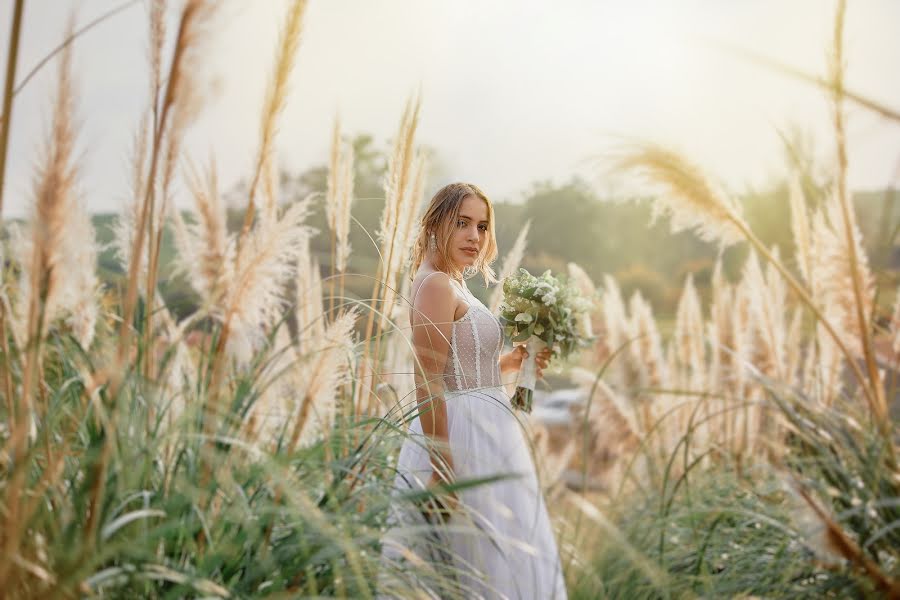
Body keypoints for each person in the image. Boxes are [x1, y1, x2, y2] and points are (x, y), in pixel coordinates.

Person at [380, 183, 568, 599]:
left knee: (499, 558)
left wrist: (516, 361)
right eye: (462, 223)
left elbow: (468, 373)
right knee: (473, 564)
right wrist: (442, 468)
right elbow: (428, 378)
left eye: (482, 226)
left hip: (488, 432)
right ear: (435, 224)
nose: (474, 236)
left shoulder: (453, 283)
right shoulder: (434, 286)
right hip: (459, 442)